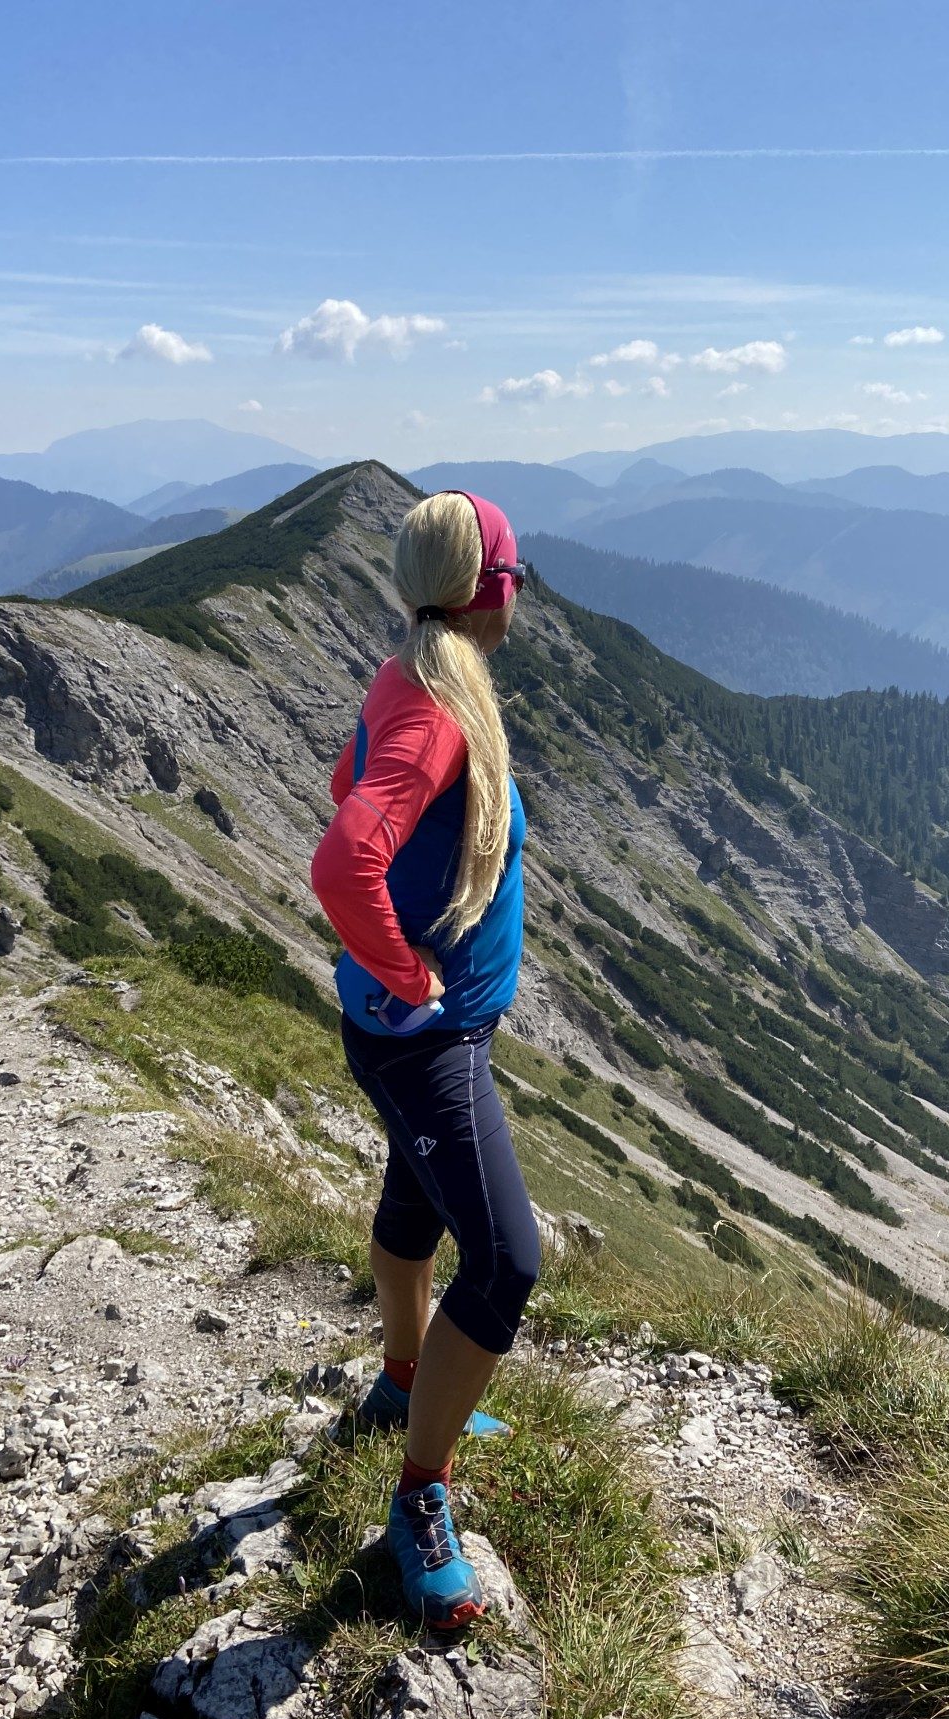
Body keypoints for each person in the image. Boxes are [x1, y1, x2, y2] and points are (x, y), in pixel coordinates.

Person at [309, 489, 541, 1630]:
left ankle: (404, 1378)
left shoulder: (411, 674)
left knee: (419, 1208)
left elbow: (352, 785)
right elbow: (346, 856)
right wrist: (410, 974)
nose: (521, 592)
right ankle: (419, 1493)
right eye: (517, 574)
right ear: (489, 590)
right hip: (426, 1039)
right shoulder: (440, 712)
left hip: (414, 1037)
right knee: (505, 1264)